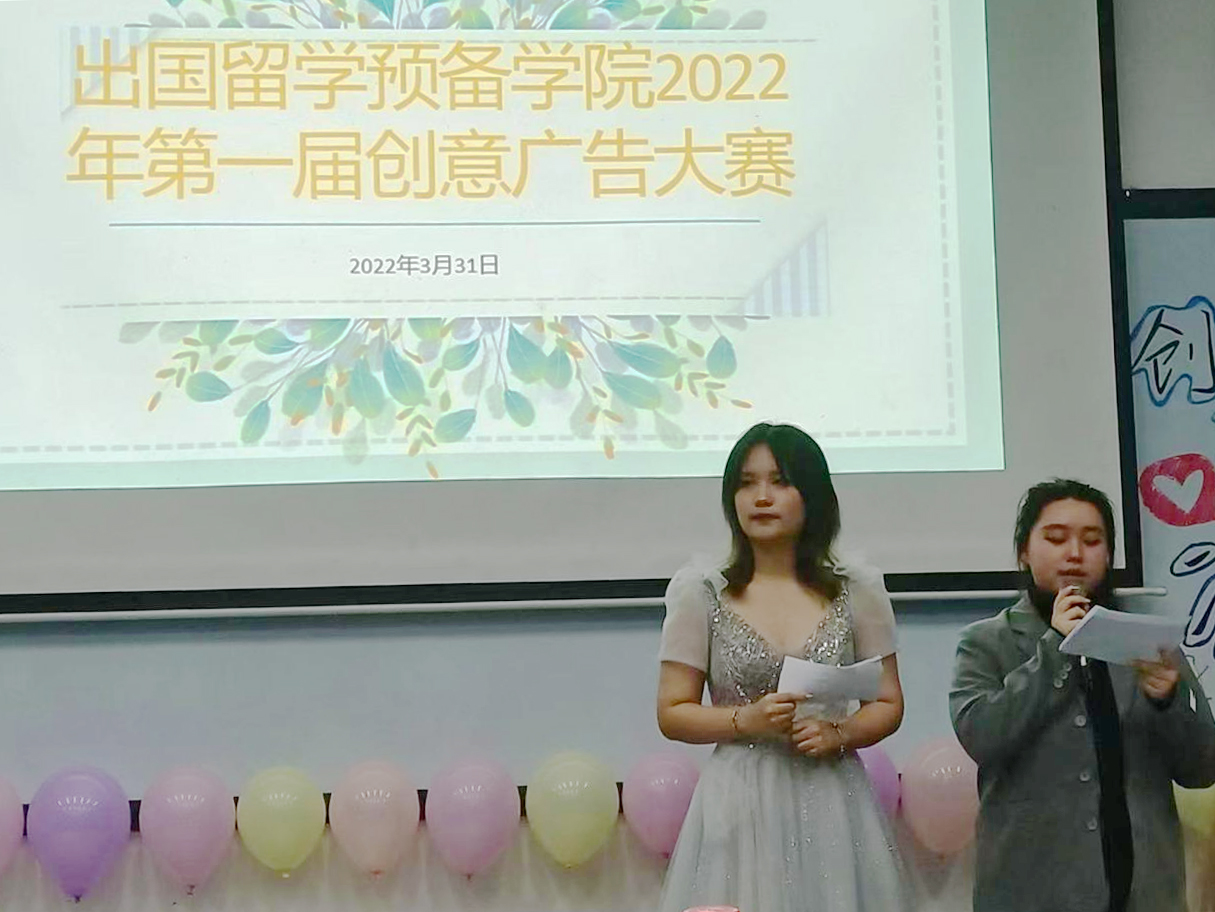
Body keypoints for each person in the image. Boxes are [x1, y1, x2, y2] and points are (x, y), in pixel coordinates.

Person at [655, 422, 912, 912]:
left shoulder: (857, 589)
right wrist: (745, 720)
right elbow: (672, 711)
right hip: (739, 799)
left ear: (812, 494)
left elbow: (888, 702)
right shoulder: (700, 593)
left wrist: (840, 733)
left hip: (832, 796)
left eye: (780, 481)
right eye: (746, 483)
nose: (761, 497)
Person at [950, 479, 1215, 912]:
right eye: (1056, 539)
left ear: (1108, 556)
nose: (1074, 553)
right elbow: (981, 736)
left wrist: (1168, 700)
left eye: (1092, 541)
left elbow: (1203, 766)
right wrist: (1056, 646)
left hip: (1145, 890)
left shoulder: (1147, 641)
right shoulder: (986, 643)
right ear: (1023, 552)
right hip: (1033, 892)